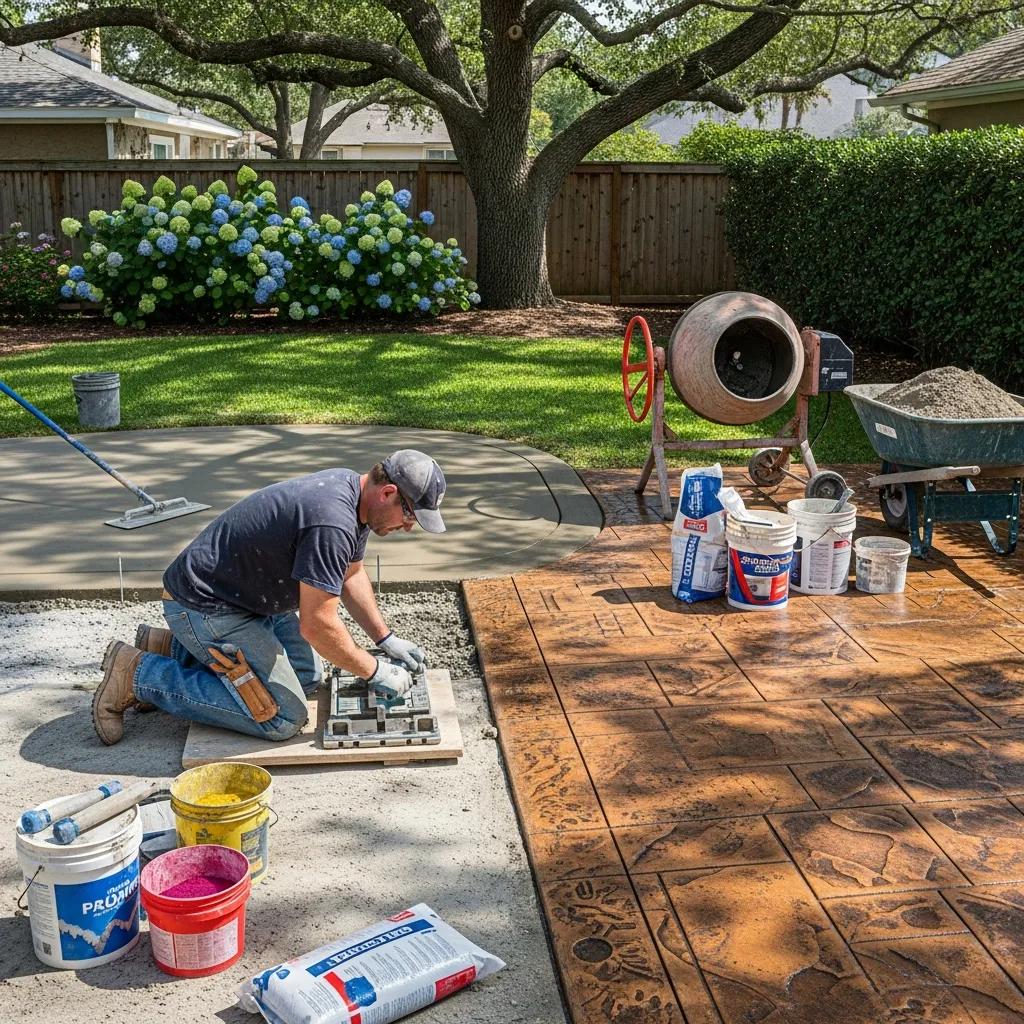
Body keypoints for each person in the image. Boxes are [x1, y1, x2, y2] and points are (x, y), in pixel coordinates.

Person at [92, 449, 447, 745]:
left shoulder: (353, 495)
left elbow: (350, 574)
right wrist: (374, 671)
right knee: (282, 716)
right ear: (387, 494)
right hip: (207, 606)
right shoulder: (331, 522)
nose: (409, 526)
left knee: (307, 678)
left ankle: (171, 647)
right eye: (411, 515)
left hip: (245, 598)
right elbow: (318, 625)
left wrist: (385, 639)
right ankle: (139, 673)